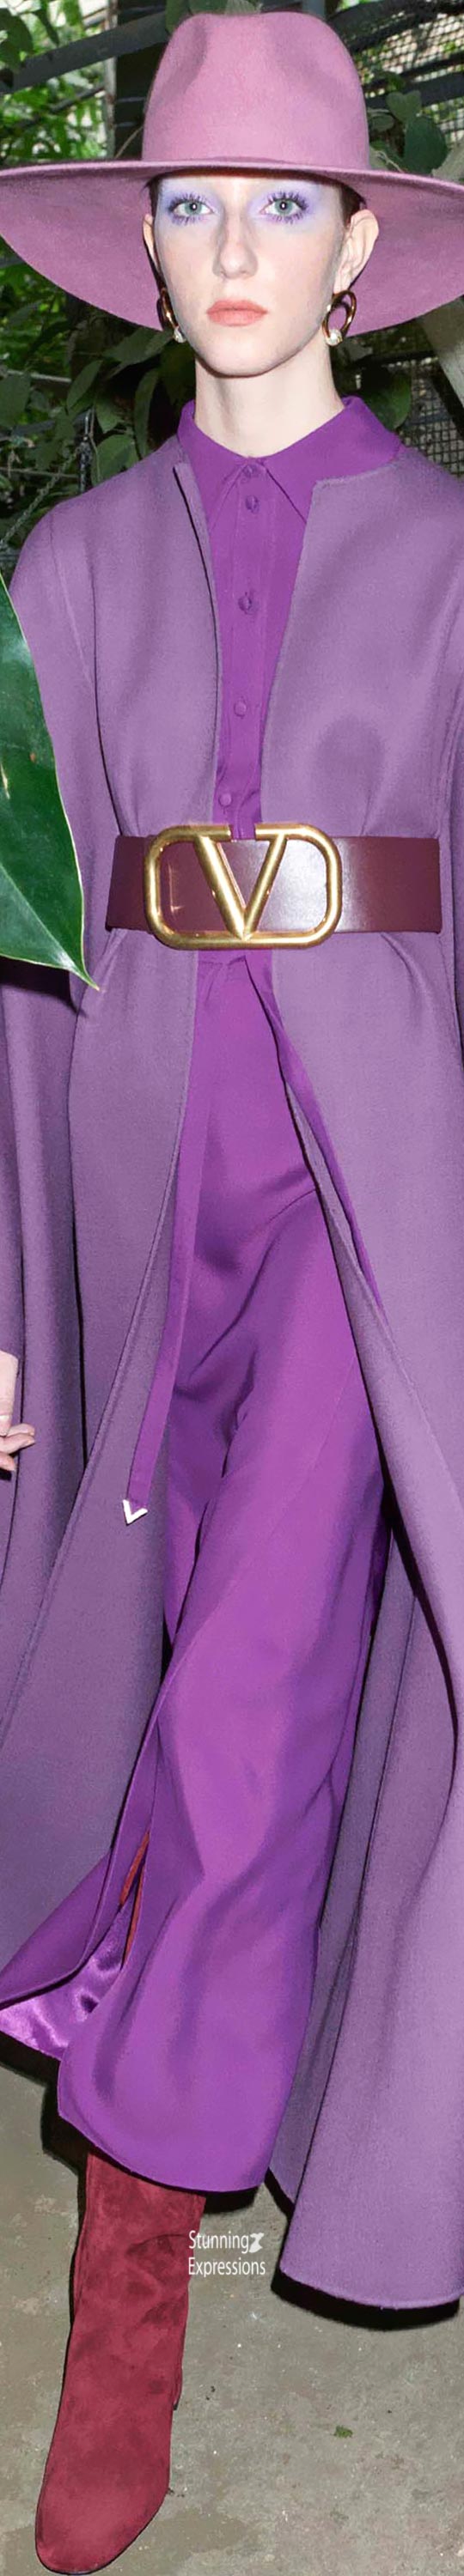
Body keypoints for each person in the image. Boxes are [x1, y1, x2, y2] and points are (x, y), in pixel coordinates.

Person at [0, 9, 464, 2568]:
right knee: (108, 1690)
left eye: (287, 203)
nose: (237, 249)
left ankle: (128, 2307)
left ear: (363, 246)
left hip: (369, 1221)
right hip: (118, 1181)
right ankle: (198, 2068)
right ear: (147, 250)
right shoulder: (63, 574)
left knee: (261, 1706)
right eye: (194, 204)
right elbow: (14, 965)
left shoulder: (455, 561)